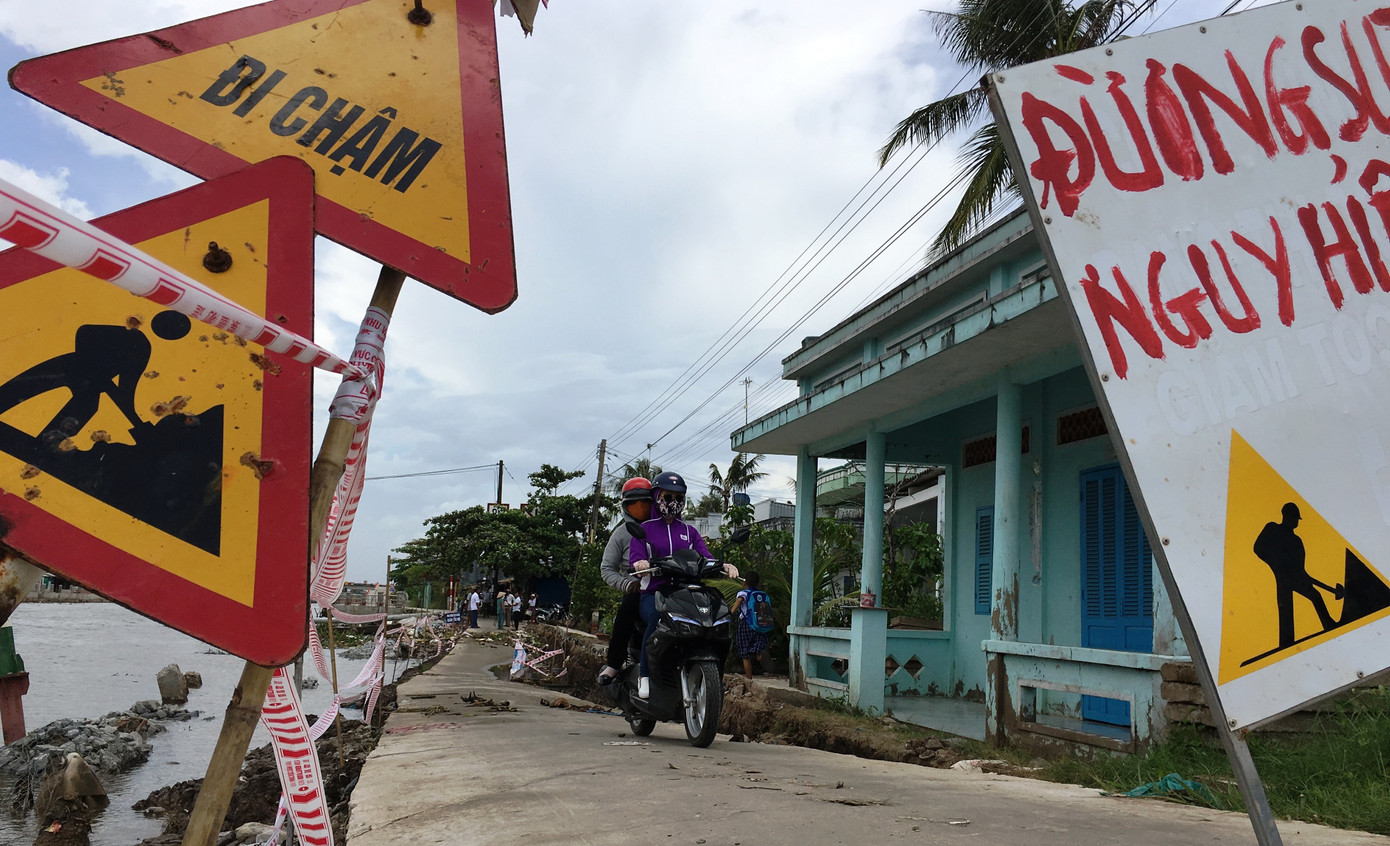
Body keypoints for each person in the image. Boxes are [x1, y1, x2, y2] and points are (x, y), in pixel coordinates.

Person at [628, 471, 736, 699]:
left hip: (684, 594)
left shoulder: (689, 532)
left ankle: (710, 674)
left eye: (679, 498)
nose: (673, 502)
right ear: (657, 497)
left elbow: (706, 557)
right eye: (668, 497)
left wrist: (724, 565)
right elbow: (635, 557)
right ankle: (644, 674)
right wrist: (639, 563)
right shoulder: (645, 529)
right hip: (655, 594)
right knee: (657, 617)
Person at [1253, 502, 1340, 649]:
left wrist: (1305, 578)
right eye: (1294, 518)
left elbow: (1301, 569)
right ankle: (1289, 641)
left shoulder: (1296, 541)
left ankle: (1326, 625)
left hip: (1293, 577)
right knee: (1291, 606)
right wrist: (1274, 562)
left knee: (1313, 596)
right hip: (1282, 576)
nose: (1296, 522)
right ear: (1286, 516)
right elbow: (1257, 548)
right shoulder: (1272, 528)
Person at [597, 478, 654, 684]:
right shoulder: (621, 534)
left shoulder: (663, 529)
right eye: (635, 504)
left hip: (665, 587)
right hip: (638, 590)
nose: (641, 508)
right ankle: (614, 663)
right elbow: (607, 568)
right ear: (626, 506)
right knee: (626, 611)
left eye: (646, 503)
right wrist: (628, 584)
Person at [730, 572, 771, 681]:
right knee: (756, 643)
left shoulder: (743, 593)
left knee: (745, 654)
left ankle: (749, 680)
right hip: (760, 624)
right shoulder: (761, 594)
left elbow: (740, 600)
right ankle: (759, 654)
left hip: (746, 624)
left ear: (745, 583)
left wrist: (730, 612)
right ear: (758, 583)